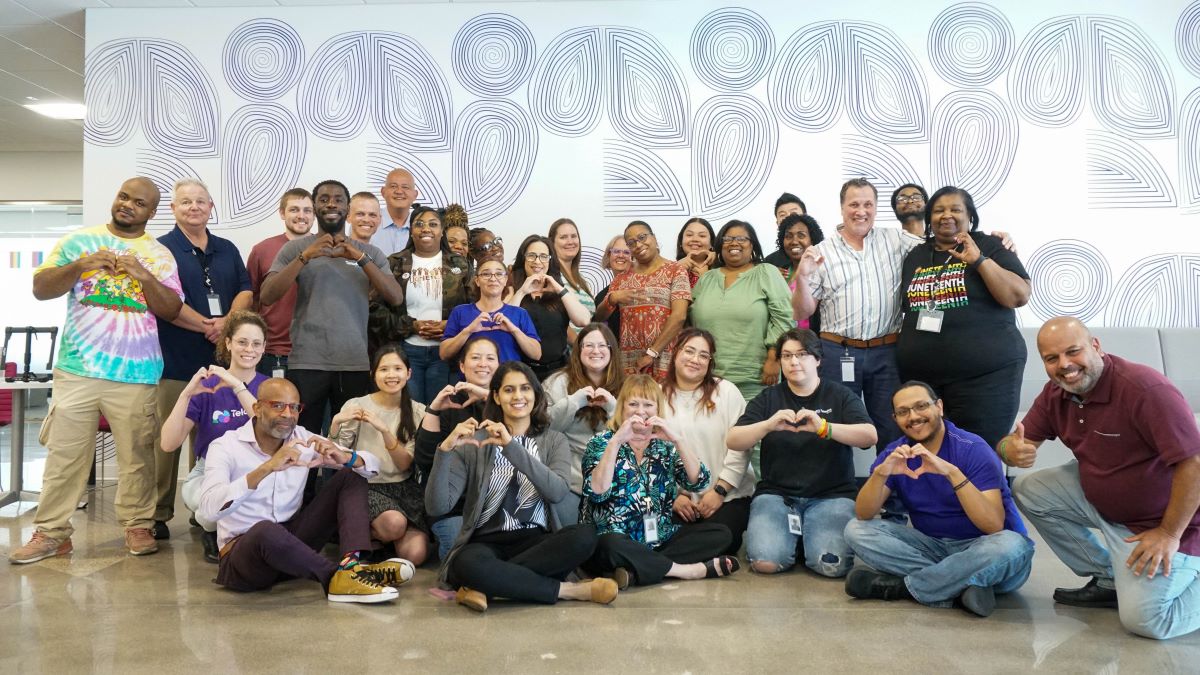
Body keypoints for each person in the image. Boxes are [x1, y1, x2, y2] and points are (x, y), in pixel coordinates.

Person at [10, 177, 184, 564]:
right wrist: (81, 266)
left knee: (138, 456)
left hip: (136, 374)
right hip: (78, 368)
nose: (127, 205)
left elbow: (171, 309)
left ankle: (138, 525)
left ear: (151, 213)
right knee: (65, 456)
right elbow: (41, 288)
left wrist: (144, 276)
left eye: (139, 203)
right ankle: (52, 532)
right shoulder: (79, 242)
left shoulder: (159, 256)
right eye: (124, 197)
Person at [1000, 317, 1200, 640]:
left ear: (1095, 346)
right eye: (1052, 359)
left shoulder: (1145, 390)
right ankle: (1107, 577)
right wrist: (1012, 451)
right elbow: (1013, 444)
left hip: (1169, 523)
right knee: (1027, 489)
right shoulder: (1057, 394)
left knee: (1148, 621)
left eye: (1072, 351)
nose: (1064, 365)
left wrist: (1168, 532)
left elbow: (1194, 464)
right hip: (1107, 506)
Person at [197, 378, 410, 603]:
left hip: (294, 549)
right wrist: (266, 468)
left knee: (351, 474)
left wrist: (347, 457)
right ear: (257, 408)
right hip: (246, 559)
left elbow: (372, 465)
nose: (288, 414)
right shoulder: (225, 446)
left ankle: (351, 567)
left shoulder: (303, 439)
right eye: (277, 405)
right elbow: (209, 510)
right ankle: (337, 578)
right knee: (264, 531)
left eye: (294, 407)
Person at [425, 362, 617, 612]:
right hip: (485, 543)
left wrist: (511, 446)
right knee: (466, 563)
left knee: (584, 536)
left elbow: (557, 492)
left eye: (525, 388)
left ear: (536, 395)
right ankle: (569, 591)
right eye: (509, 390)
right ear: (496, 396)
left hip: (536, 541)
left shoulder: (553, 440)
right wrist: (445, 450)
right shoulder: (477, 441)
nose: (518, 396)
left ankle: (487, 585)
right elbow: (437, 505)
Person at [844, 381, 1034, 617]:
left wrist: (952, 473)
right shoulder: (897, 452)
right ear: (896, 419)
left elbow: (993, 525)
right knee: (856, 530)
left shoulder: (973, 448)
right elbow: (863, 514)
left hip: (985, 548)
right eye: (903, 412)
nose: (913, 417)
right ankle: (961, 585)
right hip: (933, 546)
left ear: (939, 407)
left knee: (1012, 546)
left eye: (921, 406)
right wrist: (882, 473)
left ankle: (902, 588)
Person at [727, 328, 877, 578]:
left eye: (802, 354)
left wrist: (824, 428)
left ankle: (805, 537)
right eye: (786, 356)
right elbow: (733, 440)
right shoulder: (769, 398)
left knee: (831, 566)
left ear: (817, 360)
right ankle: (794, 539)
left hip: (831, 496)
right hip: (777, 496)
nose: (794, 362)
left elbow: (869, 436)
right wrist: (767, 425)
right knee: (765, 563)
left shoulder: (839, 394)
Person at [259, 179, 403, 435]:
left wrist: (359, 258)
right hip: (307, 362)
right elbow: (268, 295)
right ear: (315, 207)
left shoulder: (368, 252)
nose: (331, 204)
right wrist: (306, 256)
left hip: (353, 363)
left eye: (338, 199)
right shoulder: (295, 248)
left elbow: (395, 297)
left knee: (348, 441)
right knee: (304, 440)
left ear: (347, 210)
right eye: (324, 199)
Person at [153, 178, 253, 540]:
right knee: (168, 438)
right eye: (185, 202)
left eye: (200, 201)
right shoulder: (161, 250)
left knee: (211, 439)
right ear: (173, 208)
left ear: (211, 207)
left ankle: (203, 509)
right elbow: (162, 303)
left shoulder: (226, 248)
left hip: (221, 365)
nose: (193, 207)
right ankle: (158, 513)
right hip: (176, 360)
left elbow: (245, 289)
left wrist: (227, 323)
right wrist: (208, 326)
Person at [896, 186, 1030, 449]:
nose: (947, 215)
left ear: (970, 216)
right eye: (938, 210)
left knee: (976, 453)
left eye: (955, 209)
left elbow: (1018, 295)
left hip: (984, 379)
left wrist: (979, 260)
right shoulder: (917, 255)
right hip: (926, 383)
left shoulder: (990, 245)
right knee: (932, 456)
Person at [791, 179, 921, 450]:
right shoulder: (822, 252)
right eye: (854, 204)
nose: (861, 211)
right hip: (837, 351)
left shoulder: (895, 240)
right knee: (833, 427)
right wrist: (802, 278)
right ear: (842, 208)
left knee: (892, 427)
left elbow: (937, 244)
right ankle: (835, 492)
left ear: (875, 208)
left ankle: (891, 490)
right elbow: (803, 311)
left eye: (867, 204)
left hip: (887, 351)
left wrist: (993, 241)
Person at [581, 375, 739, 587]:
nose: (640, 411)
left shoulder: (665, 446)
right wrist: (617, 440)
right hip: (614, 540)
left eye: (648, 404)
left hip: (658, 538)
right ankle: (685, 571)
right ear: (622, 407)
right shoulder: (601, 442)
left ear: (657, 409)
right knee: (609, 544)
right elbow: (597, 491)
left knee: (722, 534)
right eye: (633, 404)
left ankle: (636, 571)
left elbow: (699, 482)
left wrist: (678, 440)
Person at [160, 310, 268, 563]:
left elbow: (265, 427)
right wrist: (186, 395)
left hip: (255, 475)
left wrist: (237, 386)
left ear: (264, 348)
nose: (248, 349)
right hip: (207, 475)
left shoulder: (269, 388)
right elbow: (168, 443)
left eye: (256, 343)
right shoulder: (207, 385)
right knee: (217, 509)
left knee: (255, 507)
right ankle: (212, 528)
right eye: (242, 341)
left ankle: (228, 529)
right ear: (228, 343)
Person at [331, 346, 429, 565]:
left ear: (409, 373)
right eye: (384, 369)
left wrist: (384, 430)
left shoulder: (419, 412)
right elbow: (337, 456)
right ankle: (356, 532)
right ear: (373, 374)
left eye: (398, 368)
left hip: (404, 487)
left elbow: (404, 465)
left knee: (416, 556)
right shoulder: (357, 405)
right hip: (365, 484)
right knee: (394, 524)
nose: (391, 375)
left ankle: (375, 541)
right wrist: (336, 422)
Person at [661, 328, 752, 554]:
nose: (695, 360)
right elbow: (648, 452)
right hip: (676, 499)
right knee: (660, 532)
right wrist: (673, 494)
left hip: (727, 495)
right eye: (689, 351)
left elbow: (741, 449)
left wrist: (719, 491)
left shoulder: (727, 392)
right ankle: (683, 561)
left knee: (724, 538)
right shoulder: (656, 395)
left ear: (710, 362)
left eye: (703, 355)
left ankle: (661, 561)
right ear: (675, 353)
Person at [370, 205, 472, 404]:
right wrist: (411, 325)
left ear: (441, 231)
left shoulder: (459, 264)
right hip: (406, 353)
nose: (426, 229)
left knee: (440, 412)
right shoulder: (395, 263)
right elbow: (374, 308)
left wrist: (449, 325)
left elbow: (474, 307)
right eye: (419, 224)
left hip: (446, 354)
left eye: (433, 224)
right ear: (411, 230)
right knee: (410, 411)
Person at [415, 336, 500, 560]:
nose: (483, 363)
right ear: (462, 366)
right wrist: (433, 410)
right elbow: (425, 461)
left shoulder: (511, 402)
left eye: (490, 358)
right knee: (461, 551)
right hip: (454, 505)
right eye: (475, 358)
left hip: (497, 501)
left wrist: (486, 395)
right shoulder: (449, 402)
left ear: (499, 365)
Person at [689, 219, 793, 403]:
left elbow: (785, 317)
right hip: (708, 381)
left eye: (741, 239)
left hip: (755, 381)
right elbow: (691, 323)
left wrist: (774, 358)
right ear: (720, 245)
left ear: (752, 244)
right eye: (728, 239)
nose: (734, 243)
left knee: (753, 430)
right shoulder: (707, 279)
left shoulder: (766, 272)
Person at [543, 323, 623, 522]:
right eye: (589, 346)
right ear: (578, 350)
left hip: (614, 477)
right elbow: (545, 430)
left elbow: (635, 438)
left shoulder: (626, 385)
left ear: (612, 350)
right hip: (568, 476)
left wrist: (613, 408)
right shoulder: (557, 382)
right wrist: (574, 402)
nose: (596, 351)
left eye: (603, 346)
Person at [593, 221, 690, 379]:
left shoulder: (676, 270)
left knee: (666, 403)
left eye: (642, 237)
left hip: (666, 360)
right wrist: (613, 298)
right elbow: (599, 317)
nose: (638, 244)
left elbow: (680, 316)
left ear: (654, 238)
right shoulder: (622, 278)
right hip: (631, 366)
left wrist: (652, 353)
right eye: (631, 243)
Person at [246, 188, 313, 379]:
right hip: (273, 351)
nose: (301, 216)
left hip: (315, 353)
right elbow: (253, 299)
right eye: (294, 210)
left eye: (307, 210)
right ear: (282, 213)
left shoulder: (326, 250)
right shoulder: (262, 250)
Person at [507, 235, 592, 380]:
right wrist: (522, 291)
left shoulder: (560, 291)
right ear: (523, 259)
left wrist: (559, 289)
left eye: (543, 256)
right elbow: (504, 322)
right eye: (531, 256)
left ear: (550, 260)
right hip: (522, 373)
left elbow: (584, 320)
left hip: (560, 372)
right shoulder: (512, 289)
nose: (537, 261)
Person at [441, 259, 541, 363]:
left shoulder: (519, 313)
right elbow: (444, 354)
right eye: (486, 274)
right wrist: (468, 330)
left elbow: (536, 354)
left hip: (508, 377)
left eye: (499, 274)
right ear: (477, 281)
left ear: (505, 280)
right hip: (472, 378)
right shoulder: (460, 312)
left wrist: (514, 330)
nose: (493, 279)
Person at [768, 214, 825, 331]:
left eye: (801, 235)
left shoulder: (822, 270)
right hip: (783, 341)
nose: (794, 241)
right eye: (788, 236)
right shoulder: (779, 272)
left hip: (812, 342)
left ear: (812, 239)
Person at [548, 218, 595, 317]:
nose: (570, 242)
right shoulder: (551, 277)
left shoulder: (581, 279)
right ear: (552, 242)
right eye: (563, 237)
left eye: (574, 236)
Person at [592, 235, 631, 339]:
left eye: (627, 252)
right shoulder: (601, 297)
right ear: (609, 255)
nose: (621, 255)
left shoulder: (642, 287)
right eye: (616, 251)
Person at [373, 167, 418, 256]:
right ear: (383, 192)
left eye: (405, 187)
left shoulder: (422, 227)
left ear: (415, 194)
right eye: (393, 186)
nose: (399, 191)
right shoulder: (368, 222)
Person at [763, 191, 807, 270]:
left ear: (806, 216)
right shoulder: (769, 263)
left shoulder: (823, 252)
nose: (788, 218)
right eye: (782, 215)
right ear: (777, 223)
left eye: (794, 213)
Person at [675, 216, 717, 287]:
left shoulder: (723, 268)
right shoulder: (669, 269)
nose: (695, 239)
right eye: (689, 235)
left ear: (711, 243)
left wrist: (720, 259)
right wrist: (676, 269)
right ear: (681, 242)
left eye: (702, 236)